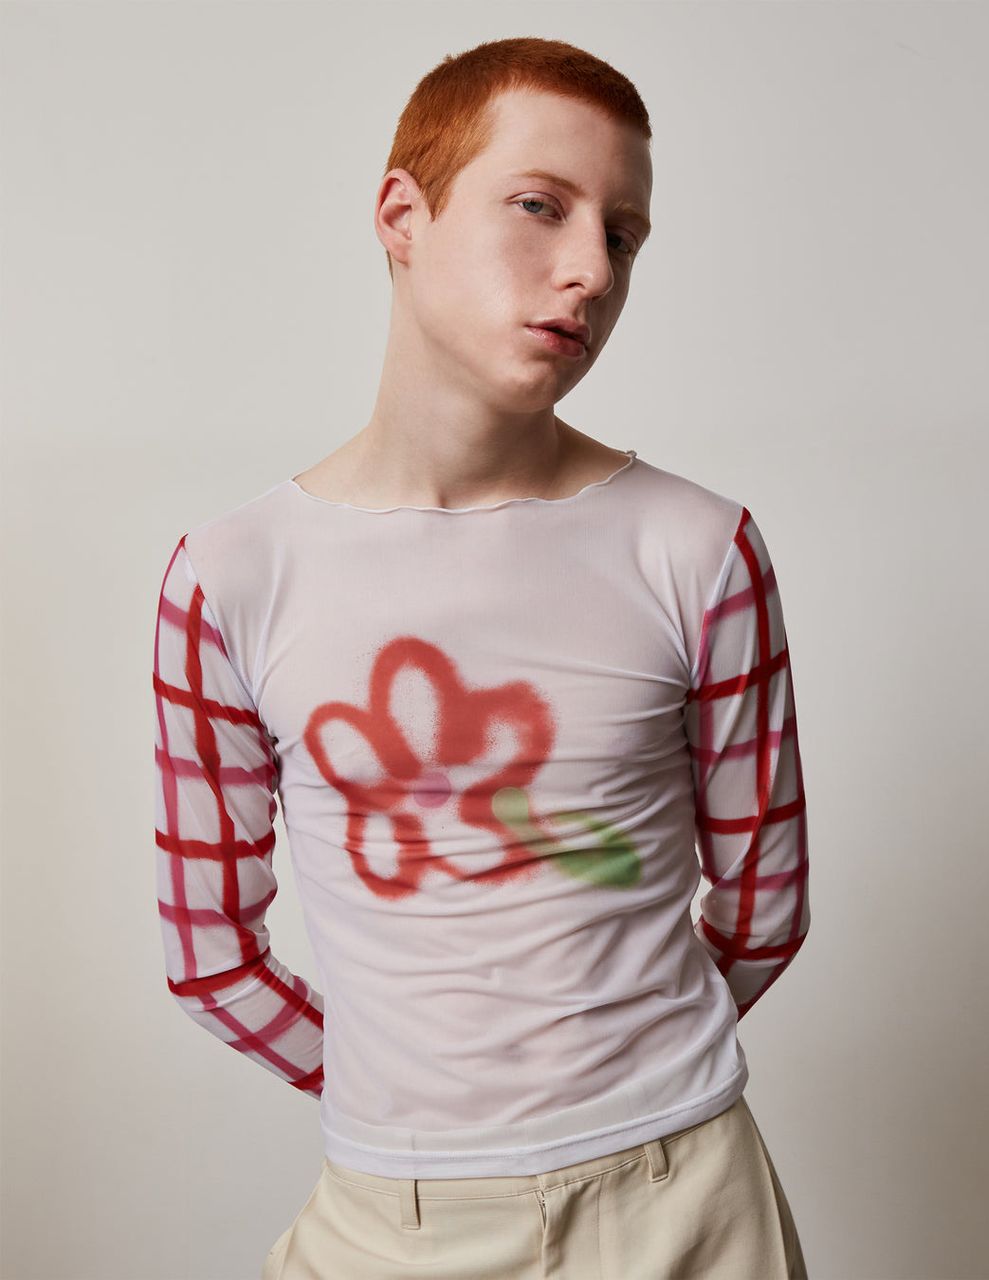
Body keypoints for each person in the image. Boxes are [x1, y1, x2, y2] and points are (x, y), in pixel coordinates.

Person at [152, 35, 810, 1279]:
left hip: (685, 1196)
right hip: (390, 1214)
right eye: (540, 206)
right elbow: (210, 954)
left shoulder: (699, 546)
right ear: (403, 215)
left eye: (623, 235)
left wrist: (629, 1079)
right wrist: (418, 1101)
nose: (590, 270)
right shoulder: (230, 576)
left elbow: (765, 903)